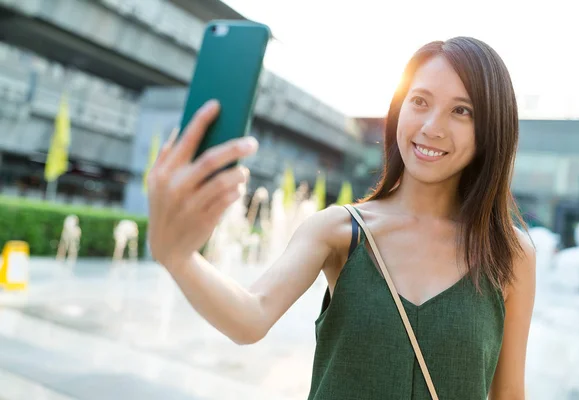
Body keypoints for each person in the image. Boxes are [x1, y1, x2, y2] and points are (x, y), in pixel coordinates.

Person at [147, 36, 536, 400]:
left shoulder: (510, 253)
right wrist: (178, 258)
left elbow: (509, 395)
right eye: (420, 101)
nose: (432, 127)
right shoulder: (339, 231)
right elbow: (251, 317)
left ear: (489, 129)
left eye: (461, 110)